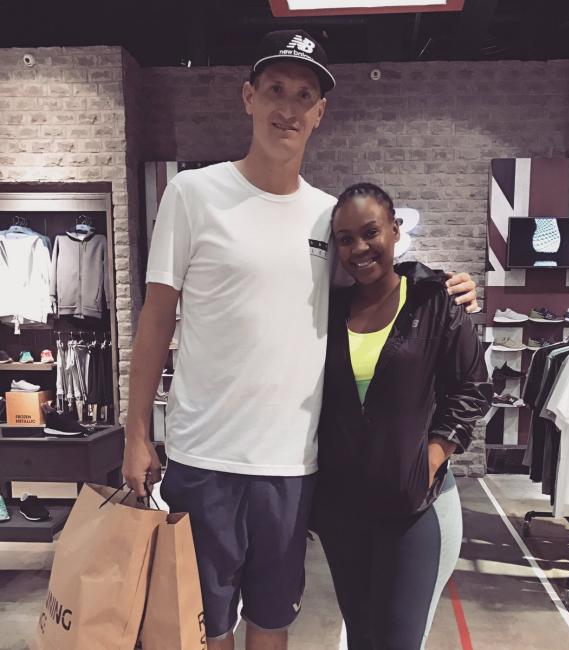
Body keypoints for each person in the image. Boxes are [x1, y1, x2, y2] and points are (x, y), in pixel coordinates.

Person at [122, 30, 480, 650]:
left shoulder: (327, 216)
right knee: (205, 629)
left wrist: (449, 287)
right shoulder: (193, 195)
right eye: (275, 90)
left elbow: (383, 278)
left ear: (320, 113)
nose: (287, 108)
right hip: (203, 458)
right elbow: (155, 320)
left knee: (272, 623)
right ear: (249, 97)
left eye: (304, 96)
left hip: (293, 466)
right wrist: (134, 434)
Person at [313, 182, 489, 650]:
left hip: (409, 508)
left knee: (398, 641)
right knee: (362, 638)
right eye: (345, 239)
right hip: (342, 512)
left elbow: (473, 387)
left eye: (370, 232)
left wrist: (432, 455)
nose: (359, 248)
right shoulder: (329, 312)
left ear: (395, 230)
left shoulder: (433, 301)